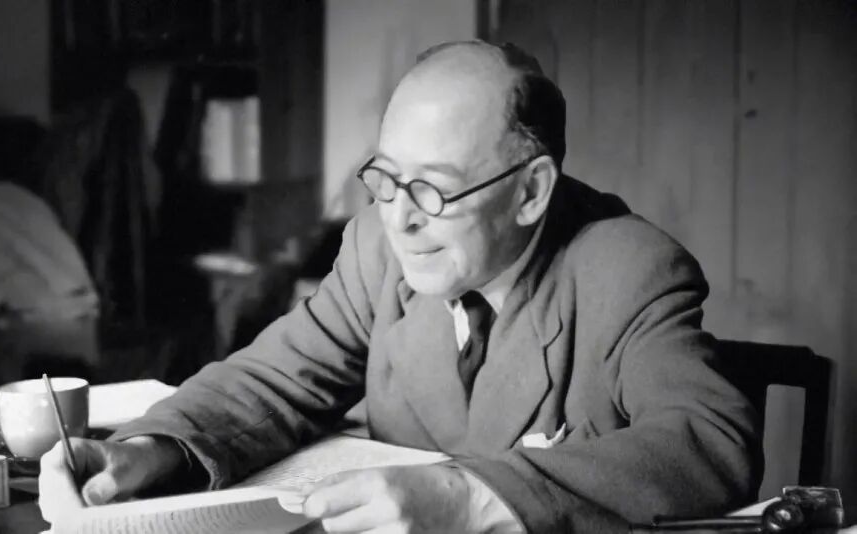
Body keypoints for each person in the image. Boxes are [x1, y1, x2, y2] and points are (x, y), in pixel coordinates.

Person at [39, 40, 761, 533]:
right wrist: (151, 449)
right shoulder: (377, 247)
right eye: (385, 176)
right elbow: (269, 379)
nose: (399, 217)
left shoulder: (627, 267)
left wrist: (468, 498)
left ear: (531, 192)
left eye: (433, 189)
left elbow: (709, 442)